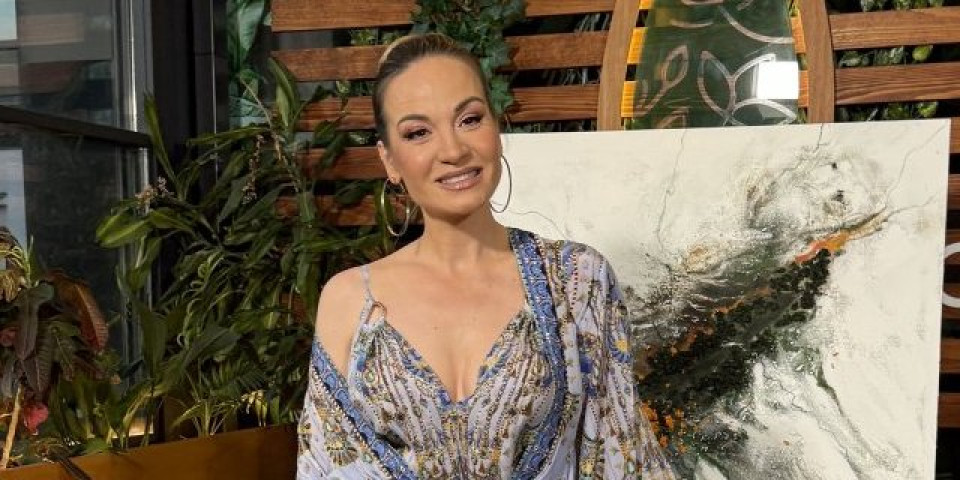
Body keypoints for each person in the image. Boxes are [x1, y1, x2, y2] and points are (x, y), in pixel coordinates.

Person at [296, 33, 675, 479]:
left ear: (497, 129)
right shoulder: (349, 300)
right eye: (418, 133)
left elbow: (622, 455)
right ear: (390, 160)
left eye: (470, 119)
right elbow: (324, 467)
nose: (453, 151)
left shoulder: (577, 279)